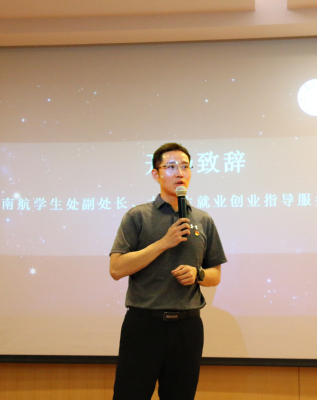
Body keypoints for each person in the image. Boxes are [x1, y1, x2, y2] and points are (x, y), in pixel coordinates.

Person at [109, 142, 227, 400]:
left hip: (188, 327)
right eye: (171, 166)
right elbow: (116, 269)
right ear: (156, 174)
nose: (179, 172)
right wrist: (164, 243)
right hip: (144, 326)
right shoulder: (137, 216)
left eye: (185, 166)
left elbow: (215, 274)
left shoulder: (203, 220)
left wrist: (198, 274)